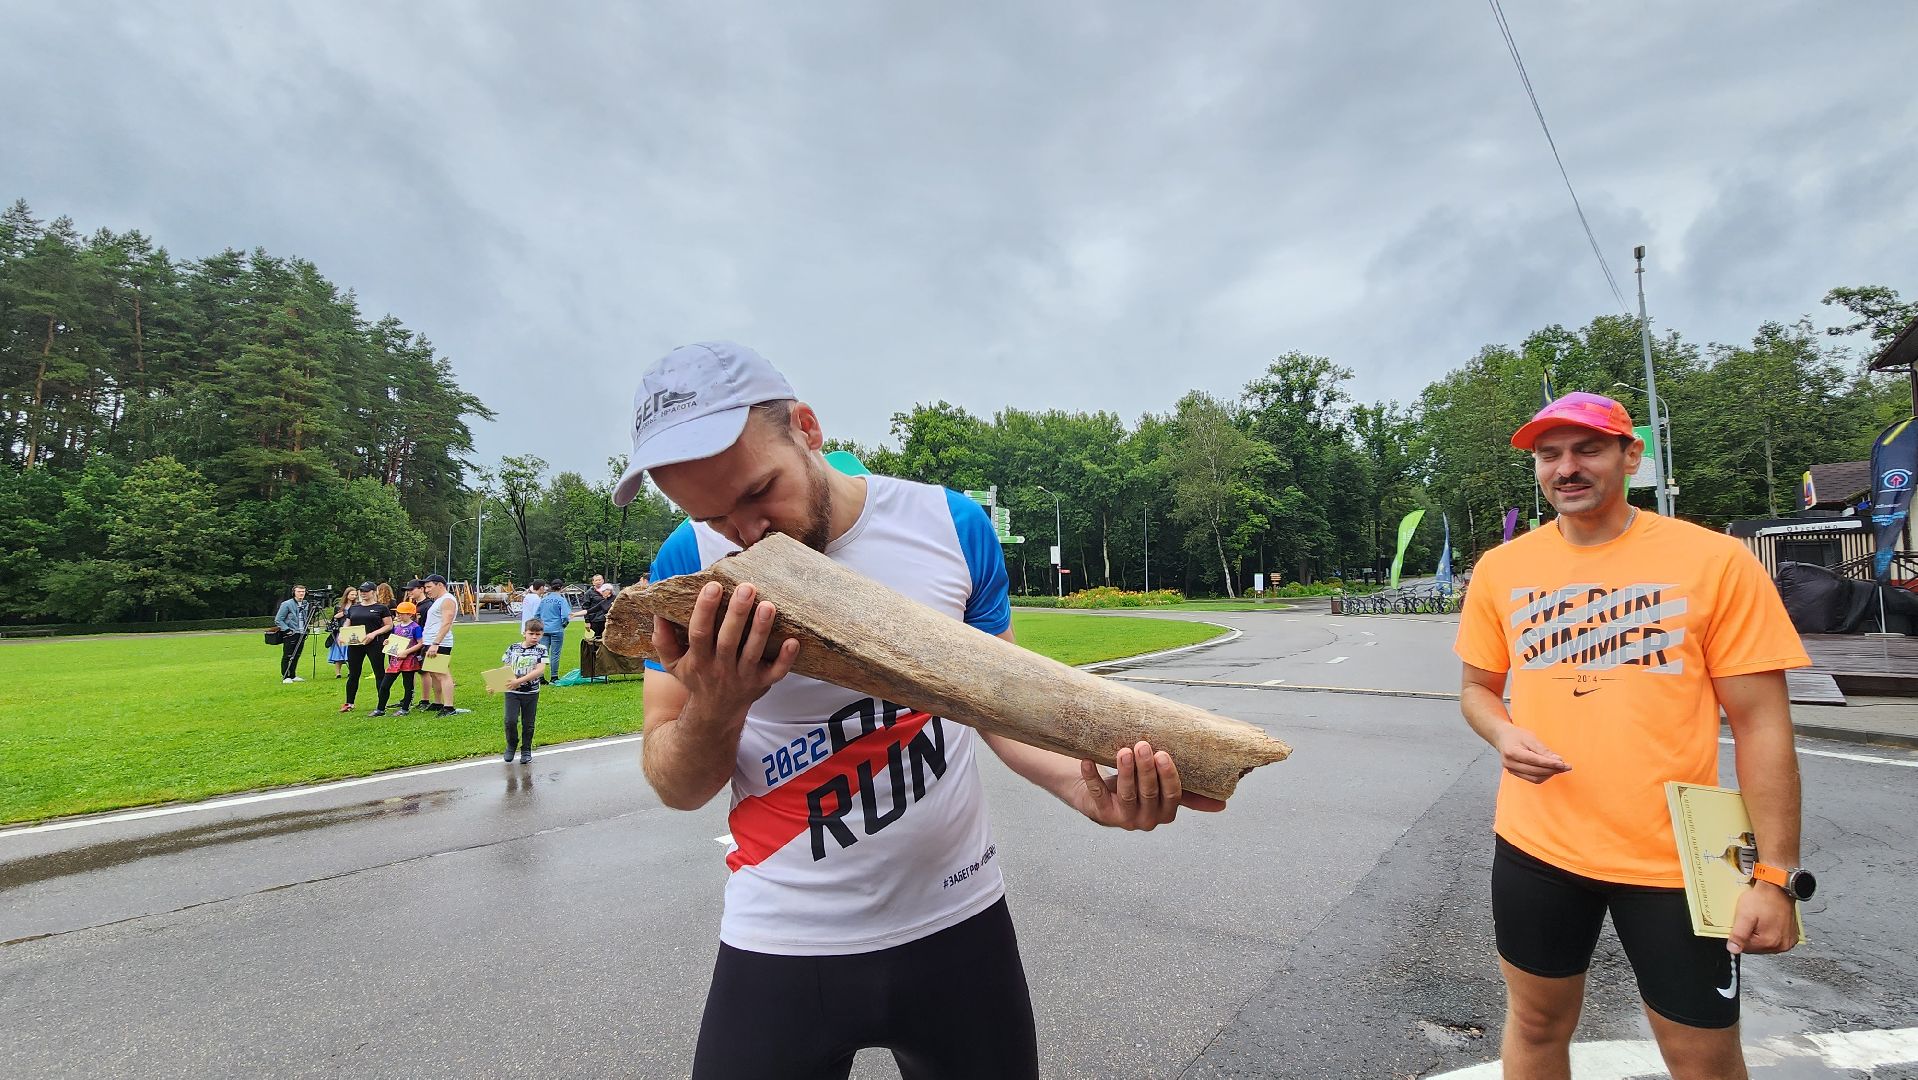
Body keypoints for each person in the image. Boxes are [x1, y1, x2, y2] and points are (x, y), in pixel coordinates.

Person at [612, 341, 1222, 1080]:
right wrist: (718, 704)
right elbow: (676, 782)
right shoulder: (687, 561)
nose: (741, 533)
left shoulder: (948, 525)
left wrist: (1082, 787)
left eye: (756, 493)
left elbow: (997, 702)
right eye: (711, 513)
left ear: (808, 429)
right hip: (781, 937)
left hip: (959, 925)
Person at [1455, 392, 1813, 1080]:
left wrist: (1775, 878)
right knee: (1534, 1024)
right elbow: (1476, 690)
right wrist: (1501, 733)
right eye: (1548, 454)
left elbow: (1763, 725)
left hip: (1677, 860)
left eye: (1586, 448)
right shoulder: (1502, 570)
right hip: (1537, 848)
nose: (1566, 467)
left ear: (1630, 455)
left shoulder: (1714, 561)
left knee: (1702, 1059)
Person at [340, 581, 394, 714]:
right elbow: (347, 623)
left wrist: (374, 633)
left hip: (374, 643)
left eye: (366, 591)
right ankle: (349, 703)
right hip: (356, 644)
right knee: (353, 673)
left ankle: (382, 704)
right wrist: (343, 634)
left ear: (373, 592)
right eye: (361, 591)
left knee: (379, 673)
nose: (363, 593)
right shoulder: (354, 608)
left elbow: (389, 625)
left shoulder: (381, 608)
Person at [500, 618, 549, 763]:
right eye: (531, 633)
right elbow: (505, 668)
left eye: (538, 634)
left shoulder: (541, 649)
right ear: (524, 633)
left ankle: (526, 749)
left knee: (528, 723)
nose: (534, 637)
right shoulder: (513, 648)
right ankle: (511, 745)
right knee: (510, 720)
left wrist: (519, 681)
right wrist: (495, 684)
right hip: (512, 692)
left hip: (530, 692)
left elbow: (539, 671)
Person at [420, 574, 467, 715]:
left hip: (439, 642)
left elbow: (446, 623)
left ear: (440, 585)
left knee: (442, 674)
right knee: (434, 674)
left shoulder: (447, 600)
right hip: (430, 641)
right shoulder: (438, 600)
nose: (426, 590)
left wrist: (436, 643)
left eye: (429, 587)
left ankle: (448, 707)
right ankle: (438, 702)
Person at [378, 601, 426, 716]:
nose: (398, 615)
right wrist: (387, 642)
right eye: (397, 613)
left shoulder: (416, 628)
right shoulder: (397, 627)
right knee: (385, 685)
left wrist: (407, 652)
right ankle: (380, 709)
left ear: (410, 614)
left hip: (409, 661)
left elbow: (420, 643)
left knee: (408, 685)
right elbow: (394, 639)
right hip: (395, 661)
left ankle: (405, 709)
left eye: (401, 613)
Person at [536, 578, 572, 683]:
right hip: (556, 629)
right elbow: (565, 616)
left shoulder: (544, 600)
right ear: (561, 587)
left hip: (544, 629)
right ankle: (554, 676)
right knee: (555, 654)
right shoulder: (561, 600)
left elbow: (537, 615)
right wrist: (564, 625)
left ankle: (540, 676)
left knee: (542, 653)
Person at [275, 585, 309, 683]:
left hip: (302, 632)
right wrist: (287, 630)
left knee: (297, 654)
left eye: (303, 591)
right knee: (288, 655)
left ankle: (293, 675)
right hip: (291, 633)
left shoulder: (306, 604)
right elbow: (278, 619)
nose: (301, 593)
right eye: (299, 591)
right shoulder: (287, 604)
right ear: (294, 592)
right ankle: (285, 676)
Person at [325, 586, 357, 677]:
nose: (353, 596)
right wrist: (336, 616)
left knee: (351, 653)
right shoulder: (339, 606)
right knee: (338, 652)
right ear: (347, 595)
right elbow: (334, 619)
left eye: (355, 595)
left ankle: (351, 671)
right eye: (352, 594)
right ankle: (338, 673)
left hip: (352, 631)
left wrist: (345, 614)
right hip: (340, 631)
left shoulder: (357, 606)